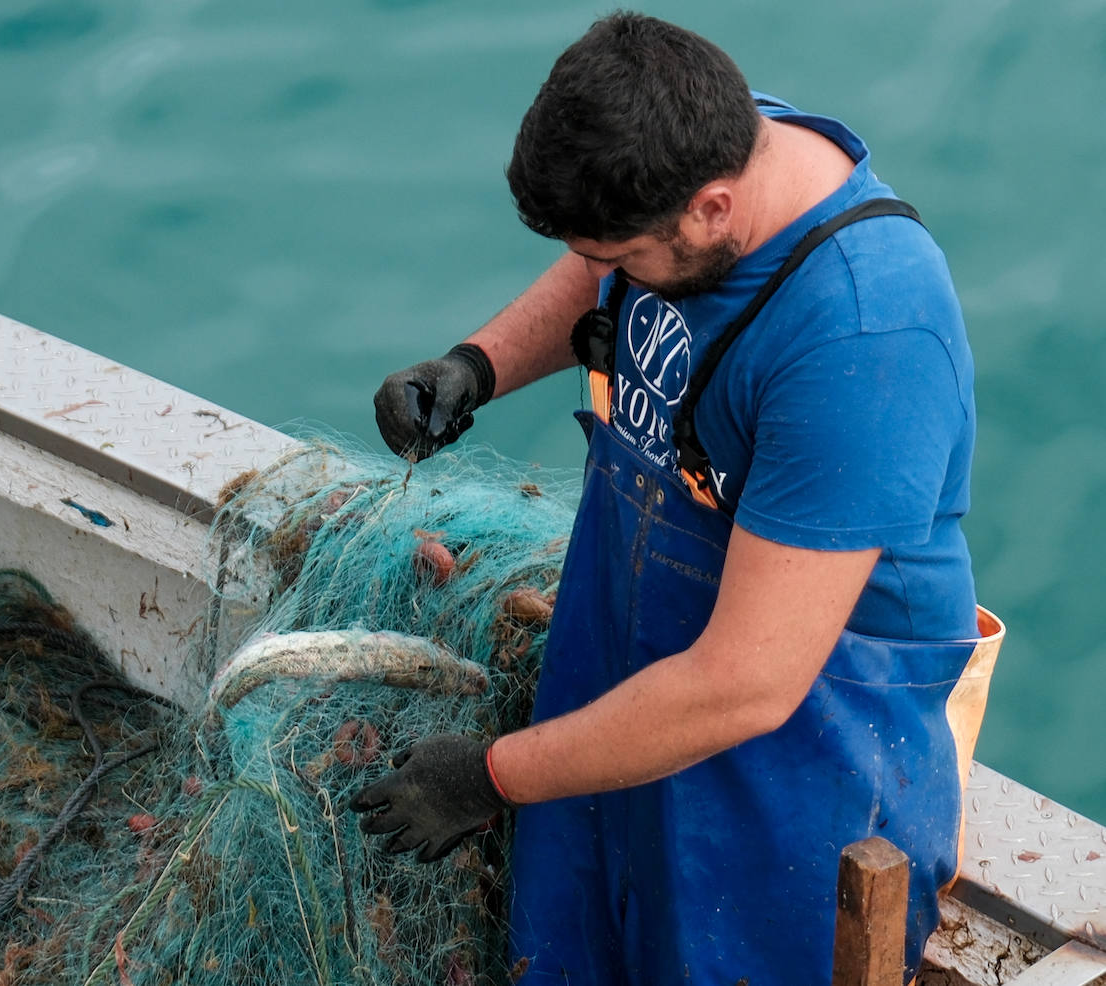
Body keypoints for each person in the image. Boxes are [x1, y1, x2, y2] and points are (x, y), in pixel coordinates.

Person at [349, 13, 1004, 986]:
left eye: (623, 262)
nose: (606, 278)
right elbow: (600, 259)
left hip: (800, 760)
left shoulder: (867, 336)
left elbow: (747, 682)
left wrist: (488, 777)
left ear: (711, 208)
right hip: (623, 659)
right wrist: (478, 365)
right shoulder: (709, 151)